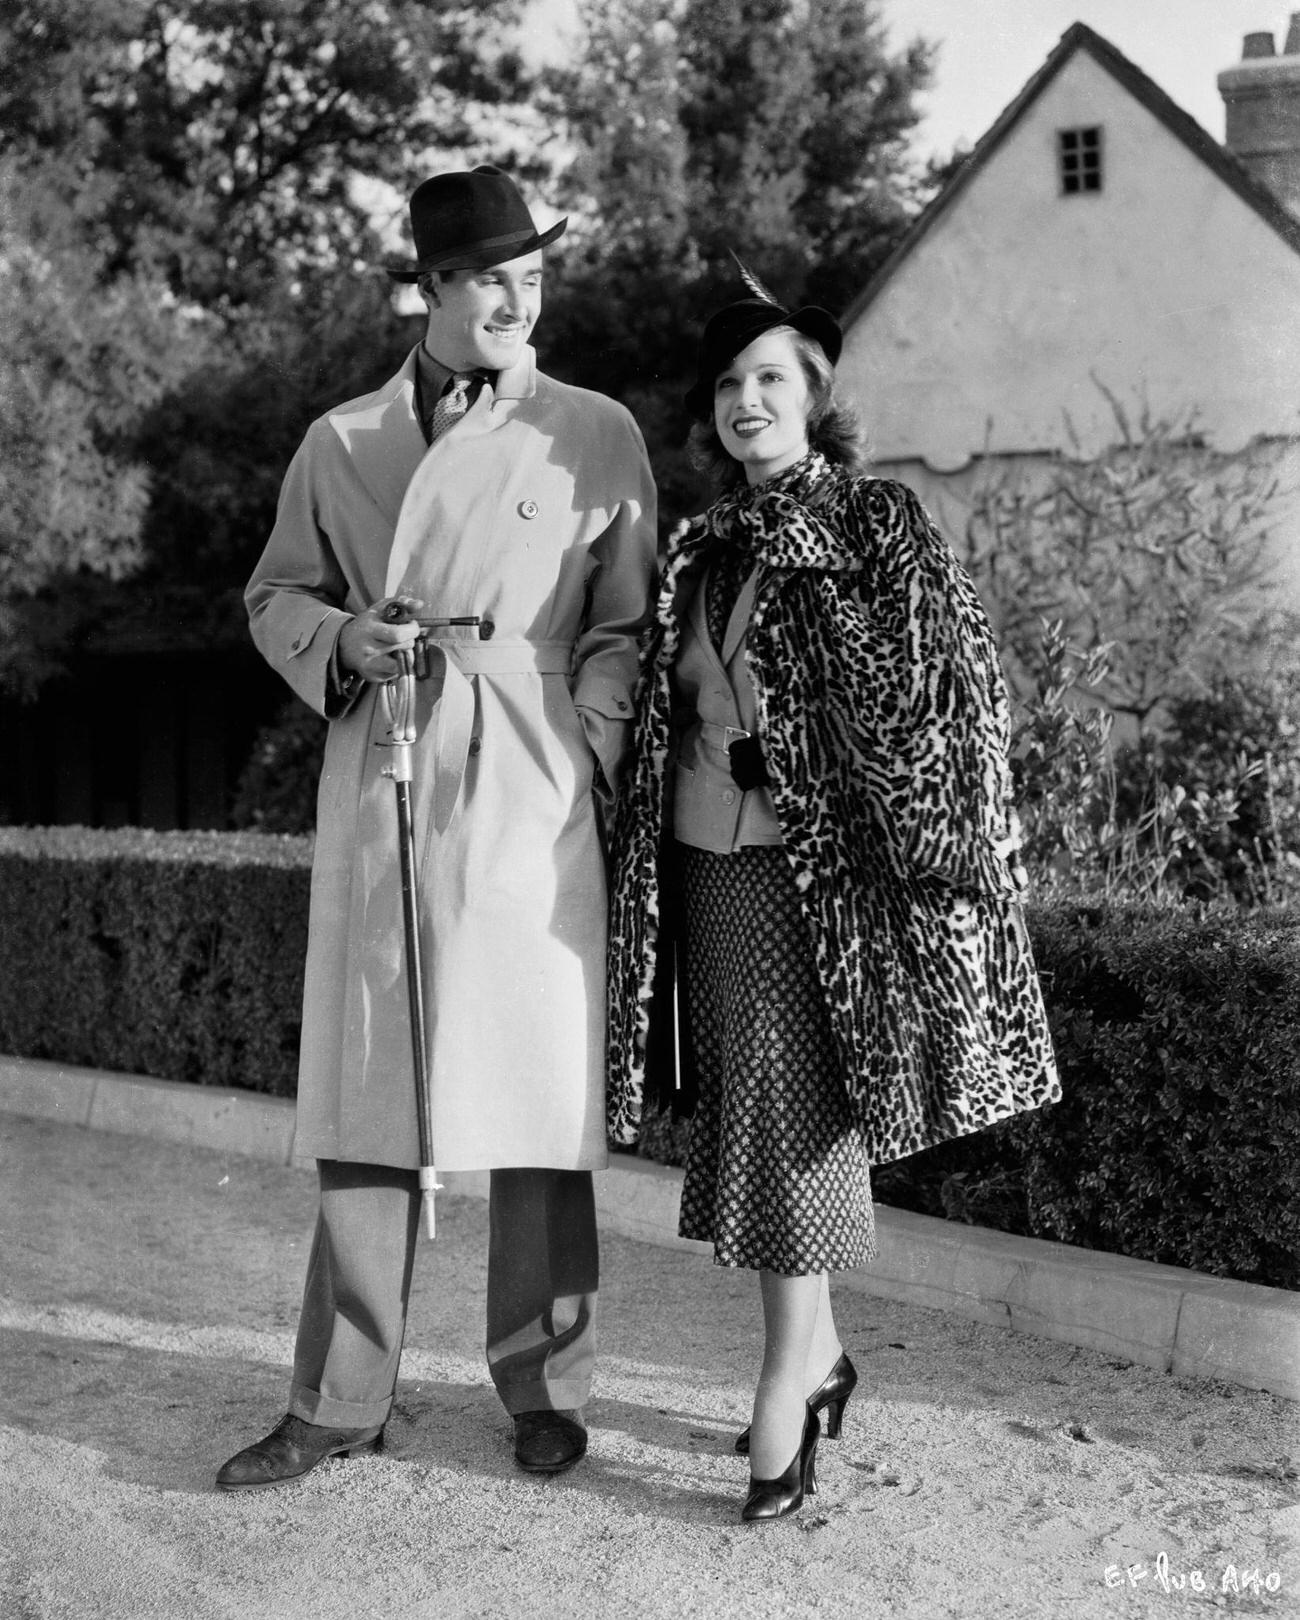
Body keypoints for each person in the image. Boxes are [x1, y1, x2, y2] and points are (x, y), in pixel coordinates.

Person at [217, 166, 657, 1490]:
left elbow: (626, 622)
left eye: (535, 277)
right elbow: (274, 595)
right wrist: (341, 637)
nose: (520, 302)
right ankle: (338, 1400)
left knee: (536, 1090)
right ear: (432, 288)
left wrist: (585, 741)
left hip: (528, 774)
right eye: (492, 280)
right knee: (366, 1091)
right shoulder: (341, 440)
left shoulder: (594, 431)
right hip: (387, 758)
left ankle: (546, 1386)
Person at [605, 285, 1059, 1522]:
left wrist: (942, 854)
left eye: (769, 378)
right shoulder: (703, 547)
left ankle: (786, 1386)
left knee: (791, 1116)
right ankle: (820, 1356)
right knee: (760, 1111)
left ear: (814, 394)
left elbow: (945, 696)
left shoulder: (873, 520)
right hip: (705, 866)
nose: (745, 401)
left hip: (827, 885)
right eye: (726, 385)